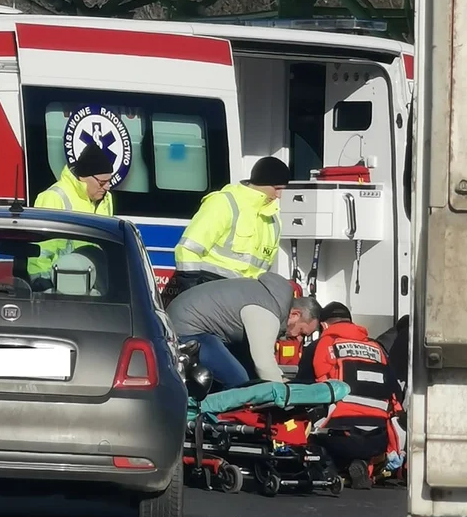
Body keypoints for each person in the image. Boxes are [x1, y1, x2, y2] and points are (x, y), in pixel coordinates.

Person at [296, 302, 403, 488]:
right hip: (378, 439)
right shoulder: (377, 349)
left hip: (341, 436)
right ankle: (361, 464)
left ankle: (331, 466)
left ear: (324, 326)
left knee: (311, 436)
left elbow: (302, 390)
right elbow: (396, 397)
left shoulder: (320, 346)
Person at [166, 271, 321, 388]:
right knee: (240, 382)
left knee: (250, 376)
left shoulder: (269, 297)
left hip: (190, 321)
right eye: (301, 332)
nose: (298, 338)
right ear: (295, 314)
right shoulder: (267, 311)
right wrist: (284, 395)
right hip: (186, 328)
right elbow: (264, 364)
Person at [172, 156, 290, 294]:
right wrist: (191, 288)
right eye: (277, 188)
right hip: (210, 288)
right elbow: (188, 249)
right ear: (262, 183)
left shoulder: (273, 219)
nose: (279, 195)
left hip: (245, 295)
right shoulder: (224, 203)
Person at [28, 142, 114, 282]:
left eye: (109, 181)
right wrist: (41, 283)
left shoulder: (107, 200)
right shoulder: (54, 197)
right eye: (102, 183)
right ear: (84, 178)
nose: (107, 187)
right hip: (59, 283)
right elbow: (41, 251)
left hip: (95, 284)